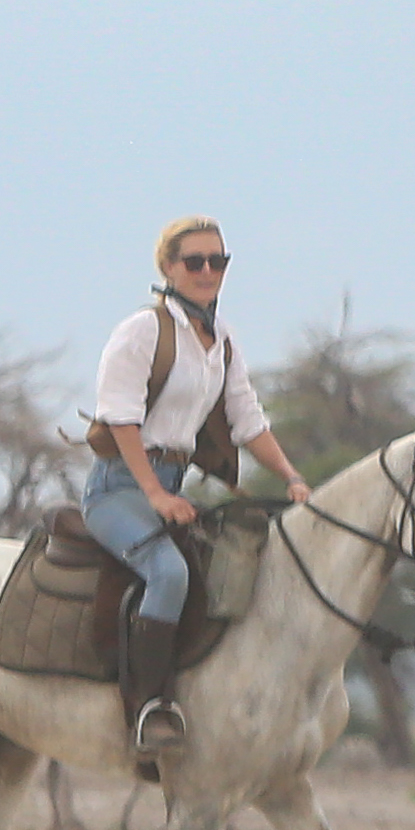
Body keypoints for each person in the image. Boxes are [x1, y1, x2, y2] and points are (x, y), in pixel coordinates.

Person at [76, 217, 312, 773]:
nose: (208, 271)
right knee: (169, 573)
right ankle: (148, 709)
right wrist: (155, 495)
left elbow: (247, 420)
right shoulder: (142, 331)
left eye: (218, 261)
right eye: (195, 261)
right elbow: (121, 419)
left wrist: (292, 477)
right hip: (118, 489)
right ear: (168, 267)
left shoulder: (221, 338)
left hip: (173, 484)